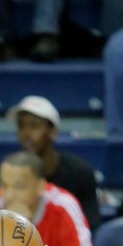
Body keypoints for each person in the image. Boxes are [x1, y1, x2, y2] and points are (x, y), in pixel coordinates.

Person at [8, 95, 100, 233]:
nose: (26, 133)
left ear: (52, 132)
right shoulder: (10, 174)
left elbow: (88, 226)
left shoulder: (80, 172)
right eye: (21, 126)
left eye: (34, 126)